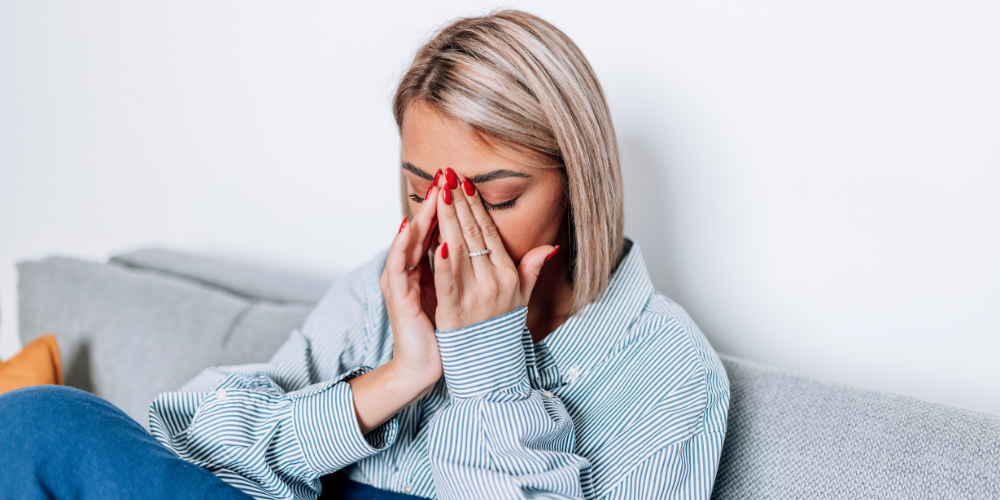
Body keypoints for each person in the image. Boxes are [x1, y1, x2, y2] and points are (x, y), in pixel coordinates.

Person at [0, 10, 728, 500]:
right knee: (36, 424)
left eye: (497, 198)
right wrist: (398, 377)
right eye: (421, 192)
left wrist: (486, 366)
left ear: (578, 187)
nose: (450, 228)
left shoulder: (670, 372)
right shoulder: (377, 292)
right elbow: (199, 441)